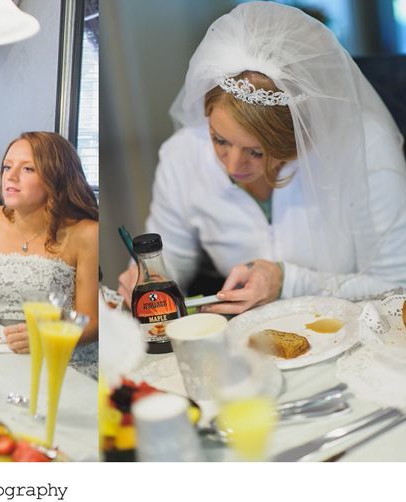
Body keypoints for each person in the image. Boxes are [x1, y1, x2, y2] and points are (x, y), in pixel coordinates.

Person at [116, 2, 406, 315]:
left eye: (257, 152)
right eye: (219, 139)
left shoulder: (365, 149)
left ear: (296, 136)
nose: (231, 166)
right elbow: (173, 257)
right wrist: (151, 275)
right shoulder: (182, 156)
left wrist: (287, 281)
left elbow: (395, 286)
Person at [0, 131, 99, 376]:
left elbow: (92, 322)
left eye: (27, 169)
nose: (10, 176)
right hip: (2, 353)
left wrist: (48, 336)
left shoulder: (86, 233)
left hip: (64, 361)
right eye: (7, 166)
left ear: (55, 177)